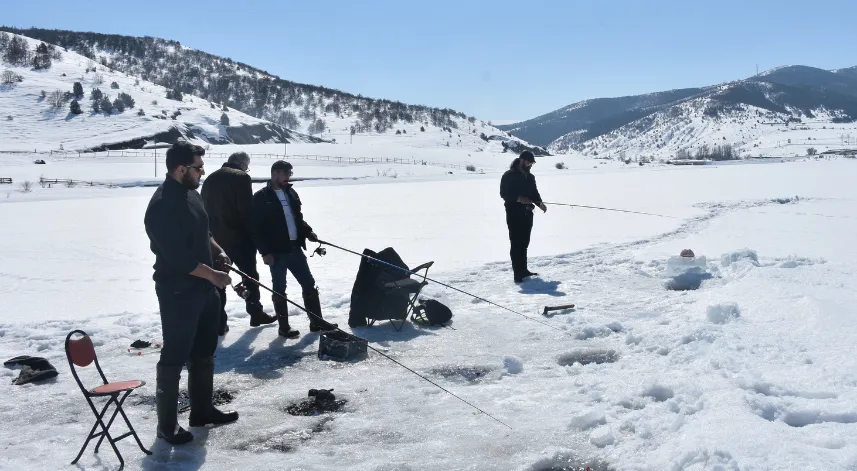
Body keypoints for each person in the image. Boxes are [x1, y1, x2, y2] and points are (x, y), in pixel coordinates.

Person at [143, 141, 239, 445]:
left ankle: (202, 411)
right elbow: (178, 257)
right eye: (198, 168)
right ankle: (166, 425)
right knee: (174, 355)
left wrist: (218, 252)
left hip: (205, 288)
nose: (202, 172)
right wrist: (213, 275)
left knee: (204, 351)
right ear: (180, 169)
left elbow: (203, 232)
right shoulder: (161, 206)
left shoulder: (192, 194)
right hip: (178, 292)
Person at [251, 160, 338, 338]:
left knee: (309, 284)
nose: (289, 177)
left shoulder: (291, 193)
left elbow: (297, 218)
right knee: (279, 289)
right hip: (276, 252)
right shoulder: (261, 197)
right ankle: (284, 328)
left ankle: (316, 322)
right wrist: (265, 252)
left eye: (290, 173)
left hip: (295, 248)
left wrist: (308, 232)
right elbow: (256, 229)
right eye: (286, 173)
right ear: (275, 173)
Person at [200, 151, 276, 335]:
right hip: (239, 240)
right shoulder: (241, 178)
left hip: (215, 241)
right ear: (242, 164)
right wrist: (259, 241)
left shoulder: (209, 179)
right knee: (250, 277)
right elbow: (247, 212)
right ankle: (255, 313)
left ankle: (219, 323)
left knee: (219, 281)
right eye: (246, 167)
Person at [499, 150, 547, 283]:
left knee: (524, 243)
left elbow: (534, 193)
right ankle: (517, 274)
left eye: (532, 163)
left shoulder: (530, 177)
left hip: (527, 213)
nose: (530, 165)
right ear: (522, 160)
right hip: (514, 213)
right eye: (529, 162)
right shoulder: (509, 175)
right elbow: (504, 194)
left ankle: (524, 270)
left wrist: (540, 204)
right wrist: (519, 198)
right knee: (516, 243)